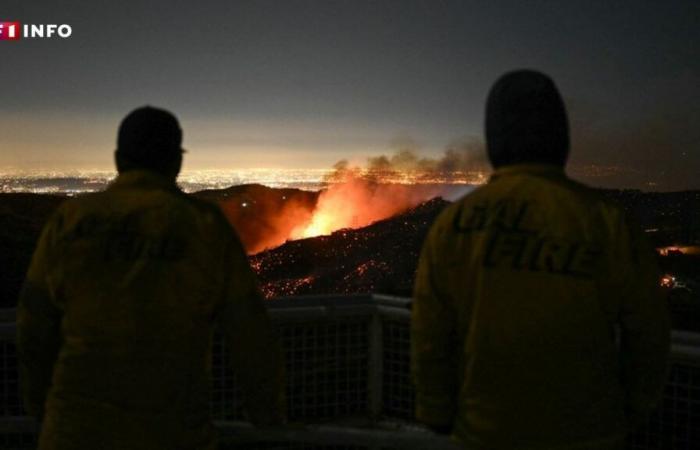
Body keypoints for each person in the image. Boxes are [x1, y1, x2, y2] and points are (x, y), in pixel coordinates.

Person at [411, 70, 670, 449]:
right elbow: (648, 331)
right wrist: (631, 410)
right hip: (589, 433)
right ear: (559, 135)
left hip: (484, 432)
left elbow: (430, 330)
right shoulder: (607, 221)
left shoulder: (454, 224)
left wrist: (437, 411)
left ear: (495, 138)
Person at [16, 106, 285, 450]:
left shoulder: (69, 221)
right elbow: (249, 332)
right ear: (176, 161)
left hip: (75, 431)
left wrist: (40, 407)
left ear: (118, 159)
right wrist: (268, 418)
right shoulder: (204, 226)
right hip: (173, 433)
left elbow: (34, 324)